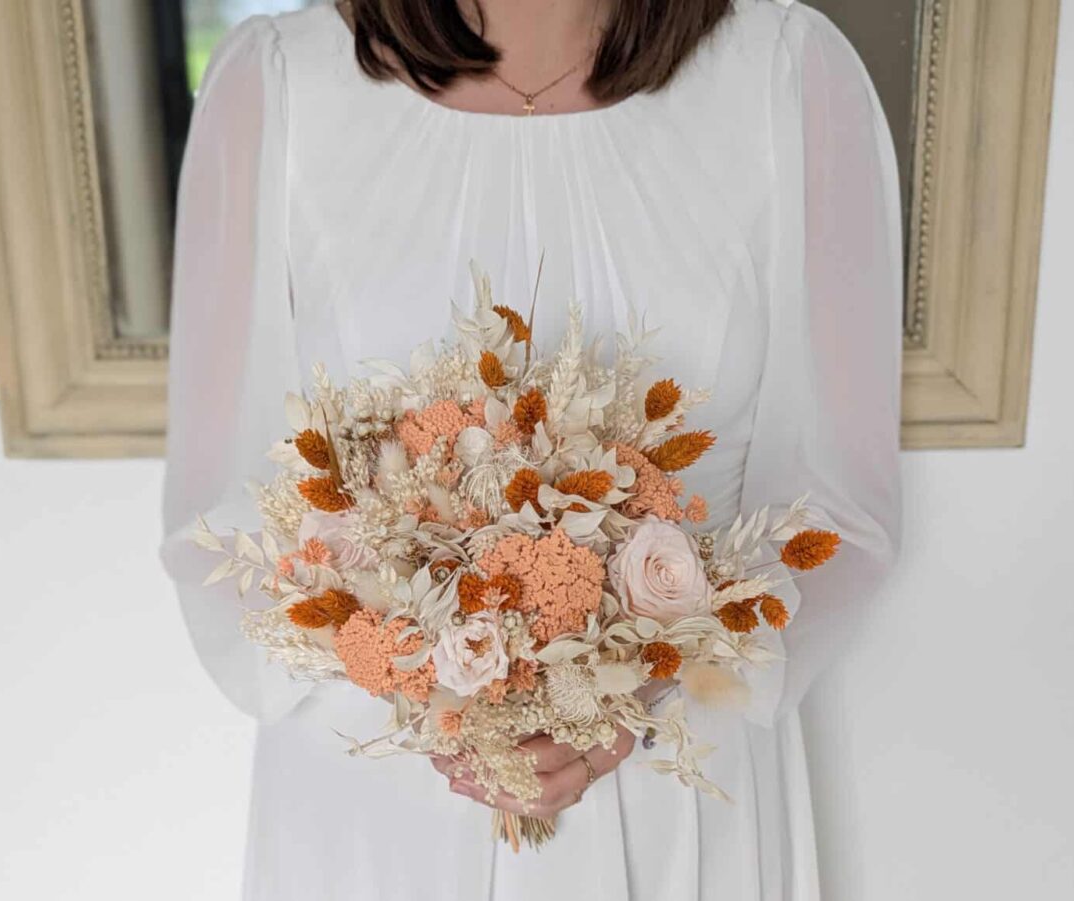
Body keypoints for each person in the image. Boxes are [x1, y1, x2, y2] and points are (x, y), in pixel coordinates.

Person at [160, 0, 902, 897]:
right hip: (386, 794)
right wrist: (439, 689)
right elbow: (222, 504)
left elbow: (837, 499)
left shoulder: (790, 73)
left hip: (678, 783)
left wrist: (628, 688)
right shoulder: (275, 80)